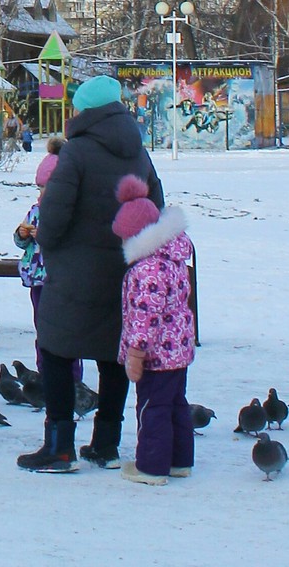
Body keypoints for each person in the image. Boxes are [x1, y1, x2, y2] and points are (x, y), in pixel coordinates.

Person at [18, 75, 163, 474]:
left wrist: (49, 243)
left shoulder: (77, 153)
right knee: (113, 355)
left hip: (75, 274)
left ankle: (59, 445)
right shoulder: (139, 152)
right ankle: (106, 444)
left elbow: (54, 217)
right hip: (124, 271)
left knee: (55, 348)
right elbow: (156, 208)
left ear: (86, 111)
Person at [112, 174, 195, 485]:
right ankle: (179, 460)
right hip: (179, 351)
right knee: (176, 404)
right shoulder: (172, 260)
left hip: (156, 355)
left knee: (152, 407)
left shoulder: (148, 270)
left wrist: (136, 352)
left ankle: (152, 465)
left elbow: (145, 317)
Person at [14, 135, 64, 367]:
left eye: (48, 188)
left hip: (60, 280)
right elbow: (22, 242)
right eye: (39, 187)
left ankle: (69, 376)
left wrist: (43, 234)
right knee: (41, 327)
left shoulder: (68, 213)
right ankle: (43, 369)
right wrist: (22, 235)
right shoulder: (35, 211)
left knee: (63, 330)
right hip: (37, 279)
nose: (42, 193)